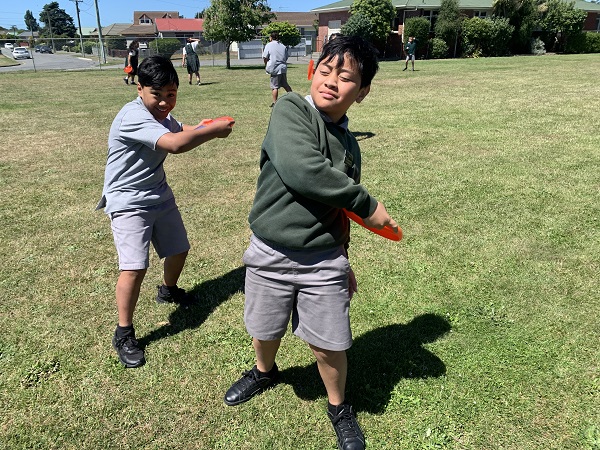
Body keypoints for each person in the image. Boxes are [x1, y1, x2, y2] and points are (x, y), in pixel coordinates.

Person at [223, 36, 398, 450]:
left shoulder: (351, 146)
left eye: (346, 77)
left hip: (324, 259)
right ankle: (264, 371)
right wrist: (369, 204)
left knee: (329, 344)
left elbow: (342, 210)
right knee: (265, 329)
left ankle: (338, 406)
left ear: (363, 92)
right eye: (325, 70)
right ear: (311, 72)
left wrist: (344, 258)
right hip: (271, 251)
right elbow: (305, 171)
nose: (332, 82)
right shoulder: (290, 110)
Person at [97, 55, 234, 368]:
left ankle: (168, 291)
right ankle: (124, 332)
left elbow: (181, 128)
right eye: (156, 95)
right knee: (134, 267)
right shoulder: (132, 116)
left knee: (178, 249)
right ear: (140, 89)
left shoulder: (161, 115)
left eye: (170, 95)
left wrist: (207, 124)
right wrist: (212, 132)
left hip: (158, 194)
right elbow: (174, 143)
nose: (164, 102)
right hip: (129, 201)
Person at [262, 31, 292, 107]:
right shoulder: (283, 46)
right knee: (285, 84)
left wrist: (266, 65)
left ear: (271, 37)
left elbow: (265, 57)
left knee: (274, 86)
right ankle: (293, 98)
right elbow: (286, 57)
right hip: (282, 68)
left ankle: (275, 103)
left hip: (274, 68)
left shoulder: (269, 45)